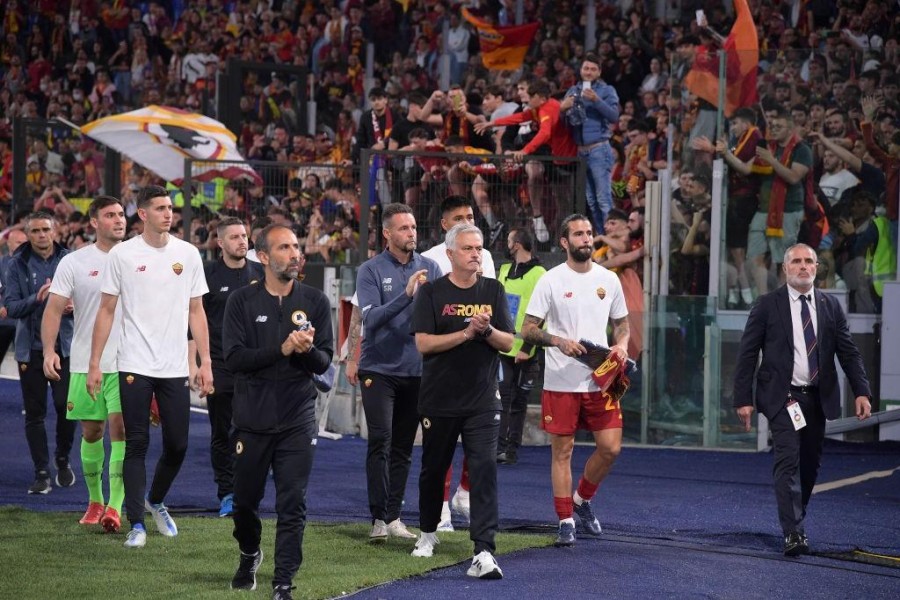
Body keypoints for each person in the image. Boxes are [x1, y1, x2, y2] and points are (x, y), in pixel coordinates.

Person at [88, 185, 214, 549]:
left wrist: (205, 362)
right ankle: (137, 524)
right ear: (142, 214)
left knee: (178, 445)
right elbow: (107, 310)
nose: (168, 213)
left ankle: (155, 500)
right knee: (136, 444)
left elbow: (197, 311)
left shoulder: (187, 254)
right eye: (160, 208)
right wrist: (96, 363)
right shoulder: (123, 256)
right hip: (133, 363)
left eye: (170, 208)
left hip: (174, 366)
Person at [733, 243, 872, 556]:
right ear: (785, 269)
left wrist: (862, 391)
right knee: (788, 461)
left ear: (817, 267)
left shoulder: (830, 306)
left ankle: (796, 515)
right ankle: (793, 533)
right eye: (796, 261)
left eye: (809, 261)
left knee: (809, 465)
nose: (803, 266)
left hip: (818, 398)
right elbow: (747, 353)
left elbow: (848, 352)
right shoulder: (768, 305)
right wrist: (743, 398)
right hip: (783, 397)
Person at [223, 224, 333, 599]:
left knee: (292, 503)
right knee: (244, 504)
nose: (294, 253)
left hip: (298, 418)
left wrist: (306, 351)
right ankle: (249, 552)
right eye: (284, 247)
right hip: (252, 419)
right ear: (264, 257)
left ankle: (283, 583)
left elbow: (324, 364)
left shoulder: (315, 301)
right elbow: (234, 359)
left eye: (296, 246)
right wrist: (282, 349)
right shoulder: (241, 301)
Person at [410, 223, 514, 580]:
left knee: (484, 471)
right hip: (439, 399)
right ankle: (427, 533)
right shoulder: (431, 292)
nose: (476, 254)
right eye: (468, 248)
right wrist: (466, 332)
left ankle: (484, 550)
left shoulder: (494, 290)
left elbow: (508, 343)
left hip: (483, 400)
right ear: (451, 254)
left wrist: (485, 331)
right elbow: (423, 344)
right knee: (433, 470)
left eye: (479, 248)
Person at [521, 214, 630, 547]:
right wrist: (558, 341)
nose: (586, 238)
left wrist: (621, 346)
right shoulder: (551, 280)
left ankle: (582, 500)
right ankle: (565, 519)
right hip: (560, 381)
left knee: (610, 448)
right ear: (564, 242)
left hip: (601, 379)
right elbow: (527, 328)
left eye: (589, 233)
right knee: (563, 452)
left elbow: (623, 325)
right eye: (579, 234)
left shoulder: (608, 280)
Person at [353, 203, 442, 542]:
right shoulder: (371, 270)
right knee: (381, 440)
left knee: (404, 446)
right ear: (387, 233)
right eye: (404, 228)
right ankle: (378, 517)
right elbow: (371, 320)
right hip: (378, 368)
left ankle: (393, 517)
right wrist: (406, 297)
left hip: (417, 370)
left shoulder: (431, 267)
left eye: (414, 227)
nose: (412, 234)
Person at [40, 196, 127, 531]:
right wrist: (50, 350)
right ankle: (95, 500)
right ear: (94, 222)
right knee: (93, 431)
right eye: (110, 215)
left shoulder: (137, 259)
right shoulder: (74, 262)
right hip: (83, 362)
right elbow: (53, 309)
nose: (119, 220)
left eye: (121, 214)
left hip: (126, 361)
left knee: (121, 430)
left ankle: (115, 507)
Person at [422, 194, 496, 529]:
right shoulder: (429, 258)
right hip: (444, 367)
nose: (467, 220)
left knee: (480, 440)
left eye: (471, 215)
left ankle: (464, 493)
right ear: (444, 225)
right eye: (458, 217)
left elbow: (493, 300)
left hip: (482, 363)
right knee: (441, 446)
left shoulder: (487, 255)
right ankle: (439, 509)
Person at [192, 217, 264, 518]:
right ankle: (227, 493)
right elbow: (194, 320)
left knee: (254, 432)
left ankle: (249, 490)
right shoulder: (207, 275)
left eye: (244, 235)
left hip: (256, 365)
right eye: (234, 237)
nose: (242, 241)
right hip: (219, 365)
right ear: (220, 243)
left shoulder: (261, 273)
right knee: (223, 432)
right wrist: (196, 364)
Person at [4, 211, 75, 494]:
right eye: (35, 231)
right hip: (30, 351)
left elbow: (88, 299)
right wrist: (39, 298)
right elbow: (10, 307)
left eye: (46, 229)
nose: (41, 235)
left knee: (65, 408)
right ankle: (42, 471)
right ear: (28, 233)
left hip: (65, 348)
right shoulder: (15, 265)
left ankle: (62, 457)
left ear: (55, 231)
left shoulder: (70, 261)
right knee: (35, 413)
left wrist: (73, 307)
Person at [719, 106, 813, 295]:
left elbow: (794, 177)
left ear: (790, 128)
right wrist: (726, 153)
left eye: (779, 126)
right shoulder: (768, 148)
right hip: (763, 210)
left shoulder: (801, 150)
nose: (774, 129)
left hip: (787, 211)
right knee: (754, 257)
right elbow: (746, 169)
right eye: (772, 125)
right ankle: (764, 300)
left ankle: (782, 300)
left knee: (783, 261)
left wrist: (772, 161)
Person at [496, 228, 546, 465]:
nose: (506, 245)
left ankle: (512, 449)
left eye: (508, 241)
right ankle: (498, 447)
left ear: (516, 245)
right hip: (502, 347)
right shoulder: (504, 270)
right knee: (501, 398)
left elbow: (542, 314)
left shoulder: (540, 274)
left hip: (527, 351)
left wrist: (527, 347)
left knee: (519, 401)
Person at [560, 53, 621, 232]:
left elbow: (614, 116)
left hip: (599, 150)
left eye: (593, 69)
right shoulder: (572, 91)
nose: (589, 72)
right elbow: (564, 123)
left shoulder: (607, 90)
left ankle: (612, 240)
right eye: (586, 68)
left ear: (599, 72)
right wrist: (562, 110)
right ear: (580, 70)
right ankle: (601, 239)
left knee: (603, 199)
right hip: (580, 152)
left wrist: (596, 100)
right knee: (591, 201)